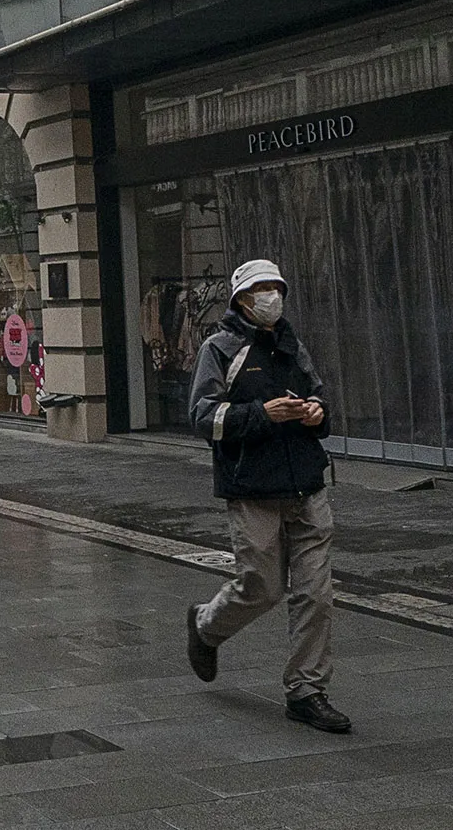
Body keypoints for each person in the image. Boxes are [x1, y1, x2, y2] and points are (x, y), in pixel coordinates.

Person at [182, 259, 350, 734]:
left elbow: (321, 398)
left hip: (307, 484)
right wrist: (262, 414)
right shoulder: (220, 348)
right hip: (252, 488)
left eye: (277, 288)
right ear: (240, 298)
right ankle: (205, 626)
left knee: (316, 595)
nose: (271, 297)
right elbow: (202, 418)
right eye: (261, 290)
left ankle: (307, 690)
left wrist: (318, 414)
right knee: (262, 588)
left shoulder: (293, 345)